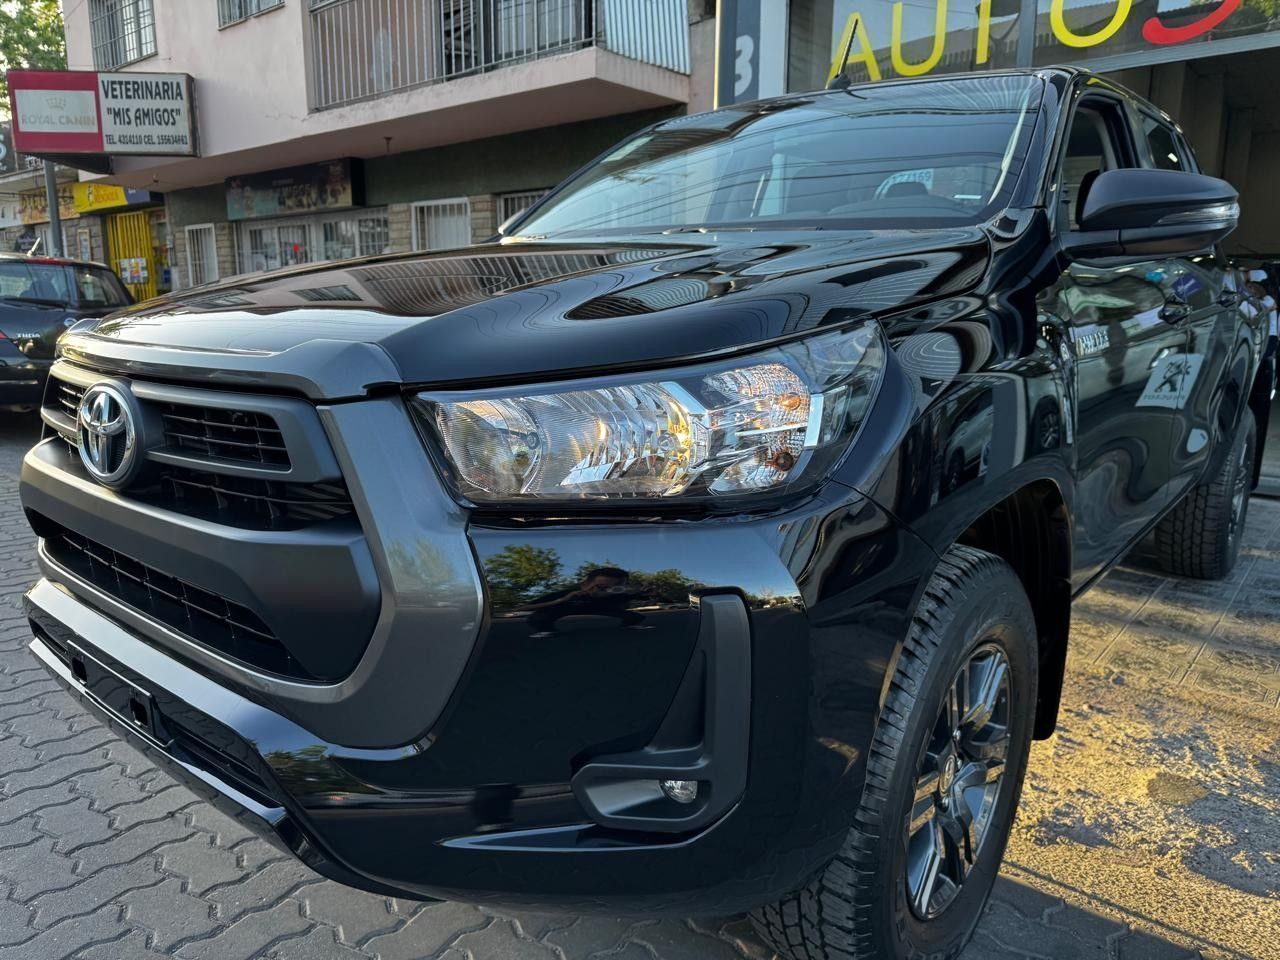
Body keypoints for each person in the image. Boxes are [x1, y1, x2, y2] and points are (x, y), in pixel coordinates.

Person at [522, 567, 645, 637]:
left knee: (635, 617)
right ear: (585, 584)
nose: (607, 591)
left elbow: (650, 599)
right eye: (601, 587)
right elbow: (525, 607)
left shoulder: (617, 595)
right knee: (537, 619)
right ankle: (548, 630)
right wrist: (561, 600)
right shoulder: (568, 593)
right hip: (566, 607)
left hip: (600, 608)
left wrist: (648, 593)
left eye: (615, 587)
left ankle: (626, 625)